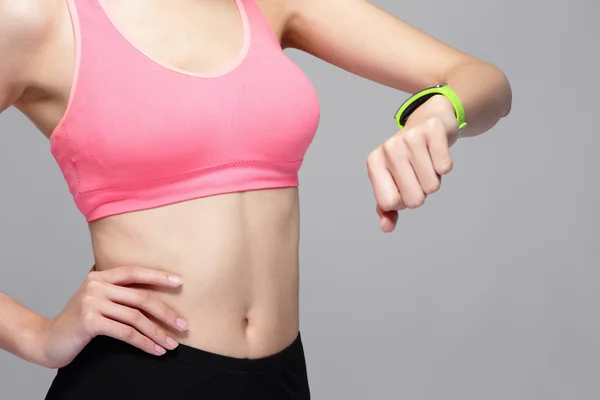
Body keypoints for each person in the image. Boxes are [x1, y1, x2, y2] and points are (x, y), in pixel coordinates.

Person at [0, 0, 512, 398]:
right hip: (139, 375)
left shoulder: (269, 5)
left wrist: (438, 116)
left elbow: (483, 81)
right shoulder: (38, 19)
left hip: (281, 379)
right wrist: (36, 337)